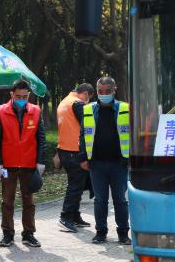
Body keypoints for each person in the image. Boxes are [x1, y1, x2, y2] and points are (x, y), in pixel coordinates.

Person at [0, 79, 46, 248]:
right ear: (12, 95)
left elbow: (41, 138)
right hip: (8, 166)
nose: (21, 99)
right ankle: (7, 233)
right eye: (18, 96)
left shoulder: (36, 111)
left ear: (28, 95)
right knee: (7, 200)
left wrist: (40, 161)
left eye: (24, 96)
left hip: (29, 165)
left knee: (28, 201)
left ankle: (28, 234)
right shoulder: (1, 111)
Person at [78, 77, 131, 245]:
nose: (104, 94)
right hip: (97, 164)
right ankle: (101, 232)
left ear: (114, 90)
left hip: (119, 163)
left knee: (120, 200)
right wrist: (83, 158)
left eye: (108, 91)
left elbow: (133, 135)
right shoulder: (88, 110)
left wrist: (131, 159)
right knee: (100, 200)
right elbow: (82, 135)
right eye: (101, 91)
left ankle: (123, 233)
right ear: (97, 90)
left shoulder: (125, 109)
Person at [56, 83, 94, 232]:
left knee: (77, 185)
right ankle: (65, 217)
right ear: (85, 93)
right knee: (75, 186)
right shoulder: (77, 104)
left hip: (64, 149)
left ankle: (74, 216)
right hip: (74, 150)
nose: (88, 102)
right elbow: (89, 124)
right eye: (88, 98)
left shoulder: (65, 101)